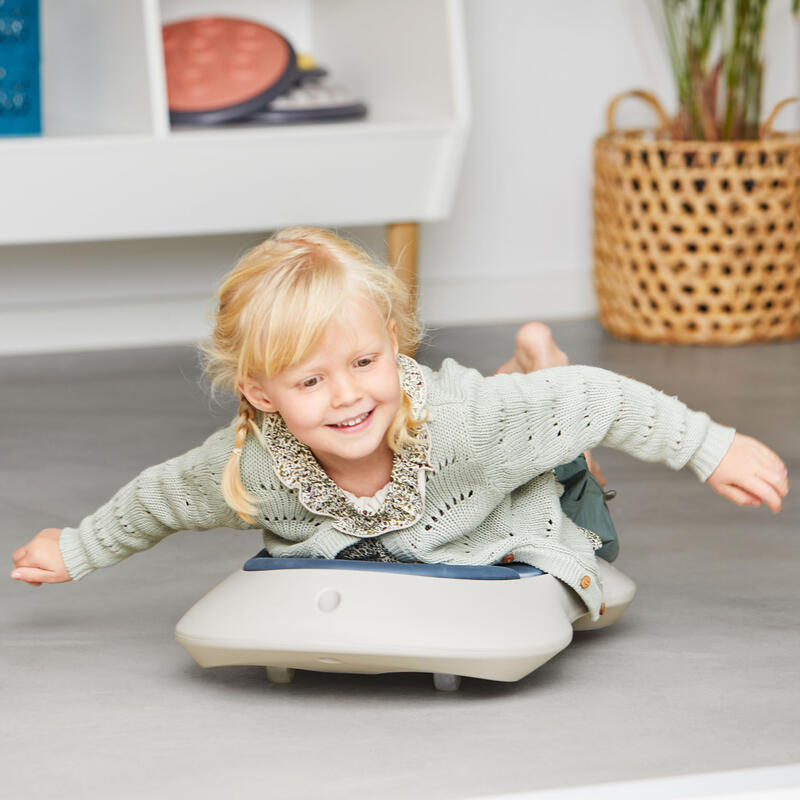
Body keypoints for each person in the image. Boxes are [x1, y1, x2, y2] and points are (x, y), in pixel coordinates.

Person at [9, 227, 788, 621]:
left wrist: (711, 447)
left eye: (364, 363)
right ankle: (528, 367)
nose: (348, 397)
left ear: (393, 341)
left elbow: (599, 397)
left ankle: (535, 370)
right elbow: (160, 499)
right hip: (471, 441)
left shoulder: (464, 424)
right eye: (312, 381)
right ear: (262, 395)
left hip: (500, 491)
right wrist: (75, 548)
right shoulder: (252, 471)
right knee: (521, 413)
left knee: (567, 461)